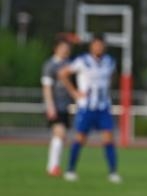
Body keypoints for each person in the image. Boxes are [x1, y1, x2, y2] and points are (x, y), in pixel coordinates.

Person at [58, 34, 122, 183]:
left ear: (104, 47)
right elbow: (63, 74)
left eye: (101, 45)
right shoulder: (83, 61)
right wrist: (74, 92)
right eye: (96, 45)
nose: (98, 48)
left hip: (103, 106)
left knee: (108, 138)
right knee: (80, 138)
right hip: (86, 107)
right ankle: (70, 170)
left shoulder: (109, 62)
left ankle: (113, 172)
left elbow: (112, 79)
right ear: (91, 46)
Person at [41, 37, 73, 177]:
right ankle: (53, 166)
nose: (65, 50)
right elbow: (47, 87)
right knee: (59, 133)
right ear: (56, 48)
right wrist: (50, 106)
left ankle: (53, 166)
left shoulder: (69, 65)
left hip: (66, 105)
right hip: (55, 105)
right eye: (63, 48)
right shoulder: (50, 65)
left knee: (61, 136)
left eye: (67, 48)